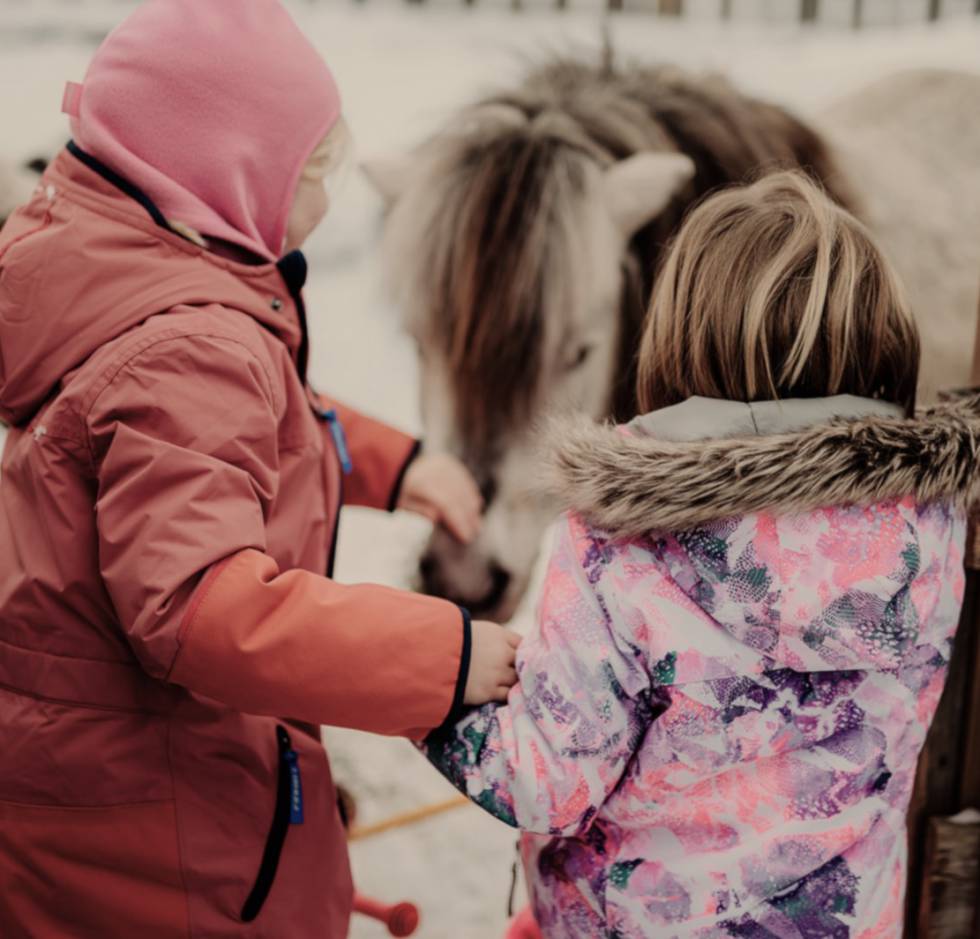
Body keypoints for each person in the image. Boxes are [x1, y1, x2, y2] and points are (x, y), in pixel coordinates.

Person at [0, 2, 519, 937]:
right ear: (226, 175)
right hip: (162, 848)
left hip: (93, 790)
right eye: (312, 172)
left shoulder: (111, 264)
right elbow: (205, 609)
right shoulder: (191, 348)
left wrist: (395, 466)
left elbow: (242, 425)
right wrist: (443, 658)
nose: (322, 201)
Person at [425, 170, 979, 937]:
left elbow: (546, 776)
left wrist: (429, 694)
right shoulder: (939, 527)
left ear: (676, 338)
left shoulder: (615, 539)